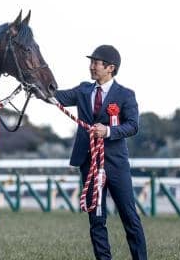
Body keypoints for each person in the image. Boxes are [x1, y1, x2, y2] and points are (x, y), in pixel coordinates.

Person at [55, 45, 147, 260]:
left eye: (96, 63)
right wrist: (34, 84)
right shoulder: (83, 90)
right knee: (96, 219)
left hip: (115, 164)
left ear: (110, 68)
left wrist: (109, 131)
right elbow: (56, 96)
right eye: (91, 62)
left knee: (129, 216)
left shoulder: (125, 95)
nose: (91, 66)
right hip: (89, 163)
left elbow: (133, 126)